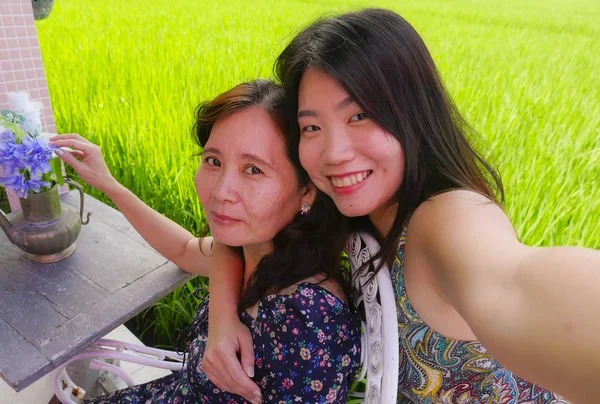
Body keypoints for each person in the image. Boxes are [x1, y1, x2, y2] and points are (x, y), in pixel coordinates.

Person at [203, 9, 600, 404]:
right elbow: (232, 231)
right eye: (312, 127)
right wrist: (222, 319)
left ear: (412, 114)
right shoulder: (339, 204)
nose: (334, 153)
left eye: (360, 115)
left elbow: (514, 285)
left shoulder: (447, 219)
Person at [50, 79, 361, 403]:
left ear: (307, 190)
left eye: (253, 169)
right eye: (213, 161)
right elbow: (184, 249)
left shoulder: (308, 317)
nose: (220, 192)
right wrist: (109, 184)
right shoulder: (250, 250)